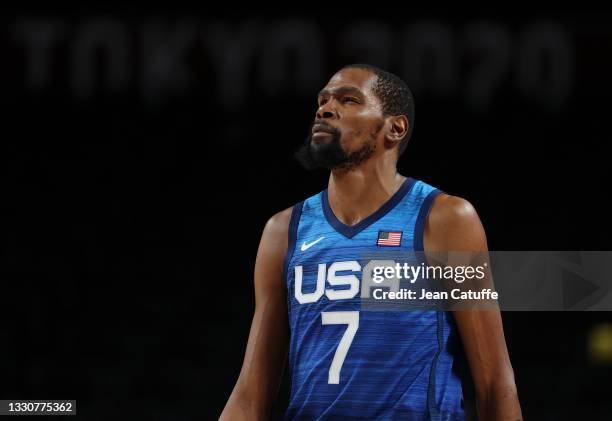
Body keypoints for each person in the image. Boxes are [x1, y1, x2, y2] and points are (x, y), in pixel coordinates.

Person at [220, 63, 522, 420]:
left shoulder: (445, 219)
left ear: (395, 128)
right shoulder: (283, 230)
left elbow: (494, 382)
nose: (325, 109)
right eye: (323, 101)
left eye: (349, 100)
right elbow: (250, 393)